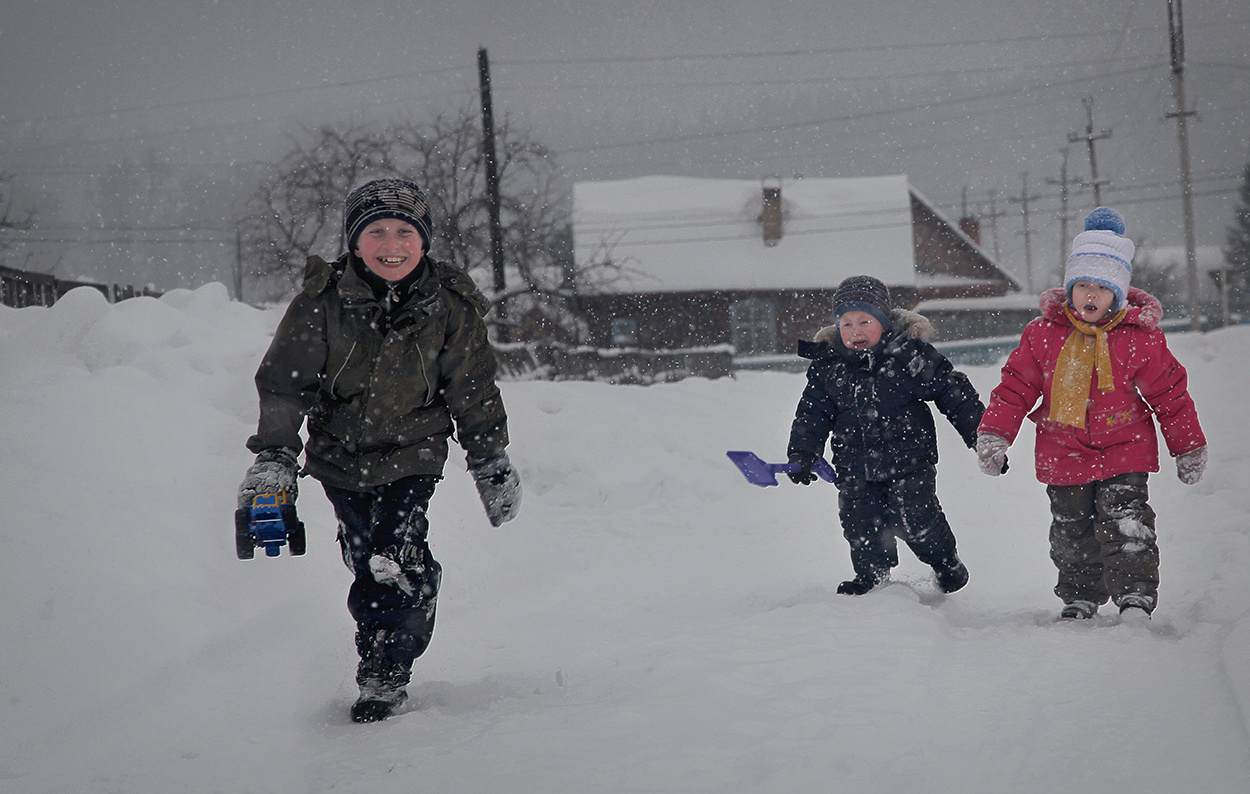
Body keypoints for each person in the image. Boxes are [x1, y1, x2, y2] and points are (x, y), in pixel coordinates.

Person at [237, 177, 521, 722]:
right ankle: (384, 630)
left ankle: (385, 672)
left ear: (424, 241)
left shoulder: (448, 306)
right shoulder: (321, 304)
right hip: (339, 456)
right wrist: (275, 456)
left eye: (404, 233)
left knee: (396, 554)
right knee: (367, 561)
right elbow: (285, 385)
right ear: (354, 241)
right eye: (376, 232)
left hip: (414, 452)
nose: (392, 245)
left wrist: (490, 460)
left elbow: (472, 388)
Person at [976, 207, 1206, 621]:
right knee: (1072, 530)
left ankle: (1134, 596)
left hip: (1125, 448)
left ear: (1118, 292)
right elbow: (1015, 387)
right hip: (1063, 451)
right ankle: (1080, 596)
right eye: (1082, 284)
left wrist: (1187, 446)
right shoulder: (1043, 335)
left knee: (1127, 523)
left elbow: (1169, 393)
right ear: (1069, 288)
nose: (1091, 295)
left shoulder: (1138, 339)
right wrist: (995, 434)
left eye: (1102, 287)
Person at [787, 275, 985, 596]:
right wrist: (803, 453)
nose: (856, 331)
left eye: (865, 321)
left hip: (909, 461)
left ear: (884, 322)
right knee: (860, 523)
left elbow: (952, 391)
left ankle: (945, 562)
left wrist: (981, 435)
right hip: (854, 466)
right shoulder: (829, 366)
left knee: (915, 518)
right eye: (846, 324)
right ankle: (872, 577)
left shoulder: (909, 355)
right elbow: (812, 413)